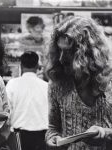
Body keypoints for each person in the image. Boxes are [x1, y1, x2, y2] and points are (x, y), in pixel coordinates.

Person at [45, 15, 112, 150]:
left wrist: (106, 133)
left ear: (89, 52)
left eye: (69, 51)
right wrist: (52, 139)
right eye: (59, 50)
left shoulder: (110, 81)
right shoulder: (58, 83)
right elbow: (53, 127)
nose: (62, 58)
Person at [6, 51, 48, 150]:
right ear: (37, 66)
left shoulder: (12, 84)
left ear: (21, 65)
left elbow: (6, 111)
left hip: (19, 137)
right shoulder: (46, 86)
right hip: (42, 136)